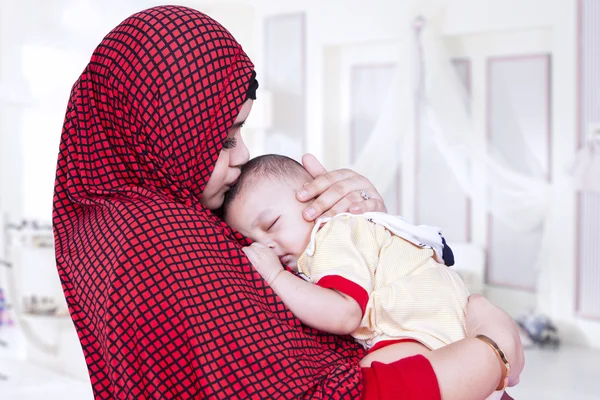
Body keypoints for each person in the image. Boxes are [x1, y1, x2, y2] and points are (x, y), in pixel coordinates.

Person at [52, 5, 523, 399]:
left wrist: (369, 225)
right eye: (221, 137)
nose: (242, 155)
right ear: (164, 132)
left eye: (240, 132)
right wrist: (490, 354)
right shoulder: (157, 240)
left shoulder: (138, 210)